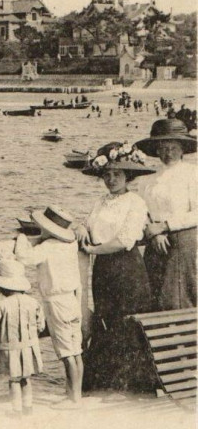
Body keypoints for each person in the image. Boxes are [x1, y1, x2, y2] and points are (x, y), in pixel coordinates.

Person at [73, 142, 158, 392]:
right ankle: (105, 386)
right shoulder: (101, 202)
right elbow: (88, 225)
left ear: (127, 176)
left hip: (127, 269)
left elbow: (124, 240)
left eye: (117, 174)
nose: (111, 179)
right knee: (105, 321)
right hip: (103, 271)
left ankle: (135, 388)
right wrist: (80, 228)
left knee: (127, 324)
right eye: (107, 175)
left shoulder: (135, 202)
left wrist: (92, 250)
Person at [14, 205, 83, 407]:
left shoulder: (47, 247)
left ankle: (73, 398)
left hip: (56, 302)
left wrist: (21, 239)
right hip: (71, 299)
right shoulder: (69, 245)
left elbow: (24, 258)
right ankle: (75, 393)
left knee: (66, 352)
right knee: (76, 350)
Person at [135, 119, 197, 310]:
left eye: (173, 147)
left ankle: (185, 338)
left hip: (184, 241)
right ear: (156, 150)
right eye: (163, 148)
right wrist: (153, 232)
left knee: (179, 296)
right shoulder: (147, 179)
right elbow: (140, 211)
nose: (168, 153)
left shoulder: (192, 174)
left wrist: (165, 226)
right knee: (154, 294)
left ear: (182, 149)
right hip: (155, 241)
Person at [0, 258, 45, 416]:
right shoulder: (33, 302)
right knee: (26, 378)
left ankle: (16, 411)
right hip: (29, 348)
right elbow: (40, 326)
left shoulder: (1, 305)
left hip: (11, 350)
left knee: (14, 380)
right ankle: (28, 408)